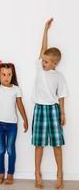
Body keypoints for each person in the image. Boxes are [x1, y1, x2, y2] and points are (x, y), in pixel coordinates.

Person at [31, 18, 68, 189]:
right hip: (39, 109)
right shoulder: (40, 67)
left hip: (53, 110)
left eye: (46, 61)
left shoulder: (58, 77)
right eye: (43, 60)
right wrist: (45, 30)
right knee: (38, 143)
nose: (43, 62)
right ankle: (37, 172)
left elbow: (61, 96)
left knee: (56, 144)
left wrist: (62, 113)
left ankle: (60, 174)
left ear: (55, 63)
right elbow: (43, 49)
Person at [0, 60, 28, 185]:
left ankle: (10, 175)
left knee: (10, 150)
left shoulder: (16, 89)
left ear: (12, 75)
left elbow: (20, 105)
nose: (6, 77)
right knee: (1, 150)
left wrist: (25, 119)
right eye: (3, 74)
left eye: (9, 74)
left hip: (12, 125)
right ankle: (0, 174)